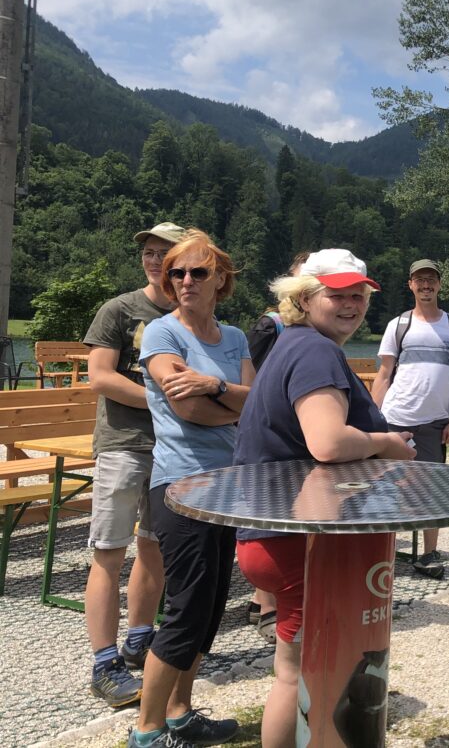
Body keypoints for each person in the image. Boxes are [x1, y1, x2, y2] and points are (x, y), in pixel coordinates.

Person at [233, 248, 417, 748]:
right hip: (301, 539)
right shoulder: (316, 351)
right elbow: (328, 442)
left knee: (290, 670)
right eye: (337, 294)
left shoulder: (293, 344)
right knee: (304, 673)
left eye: (359, 294)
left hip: (273, 533)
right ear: (304, 296)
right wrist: (387, 443)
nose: (351, 303)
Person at [129, 230, 254, 748]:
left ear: (220, 279)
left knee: (211, 604)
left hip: (227, 485)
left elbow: (257, 403)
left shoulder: (236, 339)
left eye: (196, 272)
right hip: (181, 486)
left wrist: (215, 385)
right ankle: (147, 730)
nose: (183, 280)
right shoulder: (161, 334)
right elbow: (185, 407)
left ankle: (180, 713)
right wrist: (226, 401)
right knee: (185, 609)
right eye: (174, 272)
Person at [82, 221, 185, 707]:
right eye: (148, 250)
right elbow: (100, 377)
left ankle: (139, 636)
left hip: (173, 448)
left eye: (164, 252)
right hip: (124, 443)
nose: (153, 258)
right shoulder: (120, 309)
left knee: (154, 547)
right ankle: (104, 663)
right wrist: (164, 398)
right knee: (109, 549)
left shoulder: (190, 313)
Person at [370, 259, 449, 579]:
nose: (426, 285)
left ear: (439, 284)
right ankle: (379, 551)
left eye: (431, 280)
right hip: (396, 417)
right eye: (419, 280)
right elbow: (384, 375)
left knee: (431, 488)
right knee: (384, 487)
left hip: (435, 422)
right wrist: (372, 421)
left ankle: (428, 553)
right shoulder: (399, 324)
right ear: (410, 285)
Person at [242, 250, 310, 644]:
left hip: (301, 439)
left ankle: (263, 602)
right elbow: (254, 379)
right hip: (273, 438)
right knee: (270, 518)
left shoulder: (314, 336)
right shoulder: (271, 326)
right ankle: (268, 607)